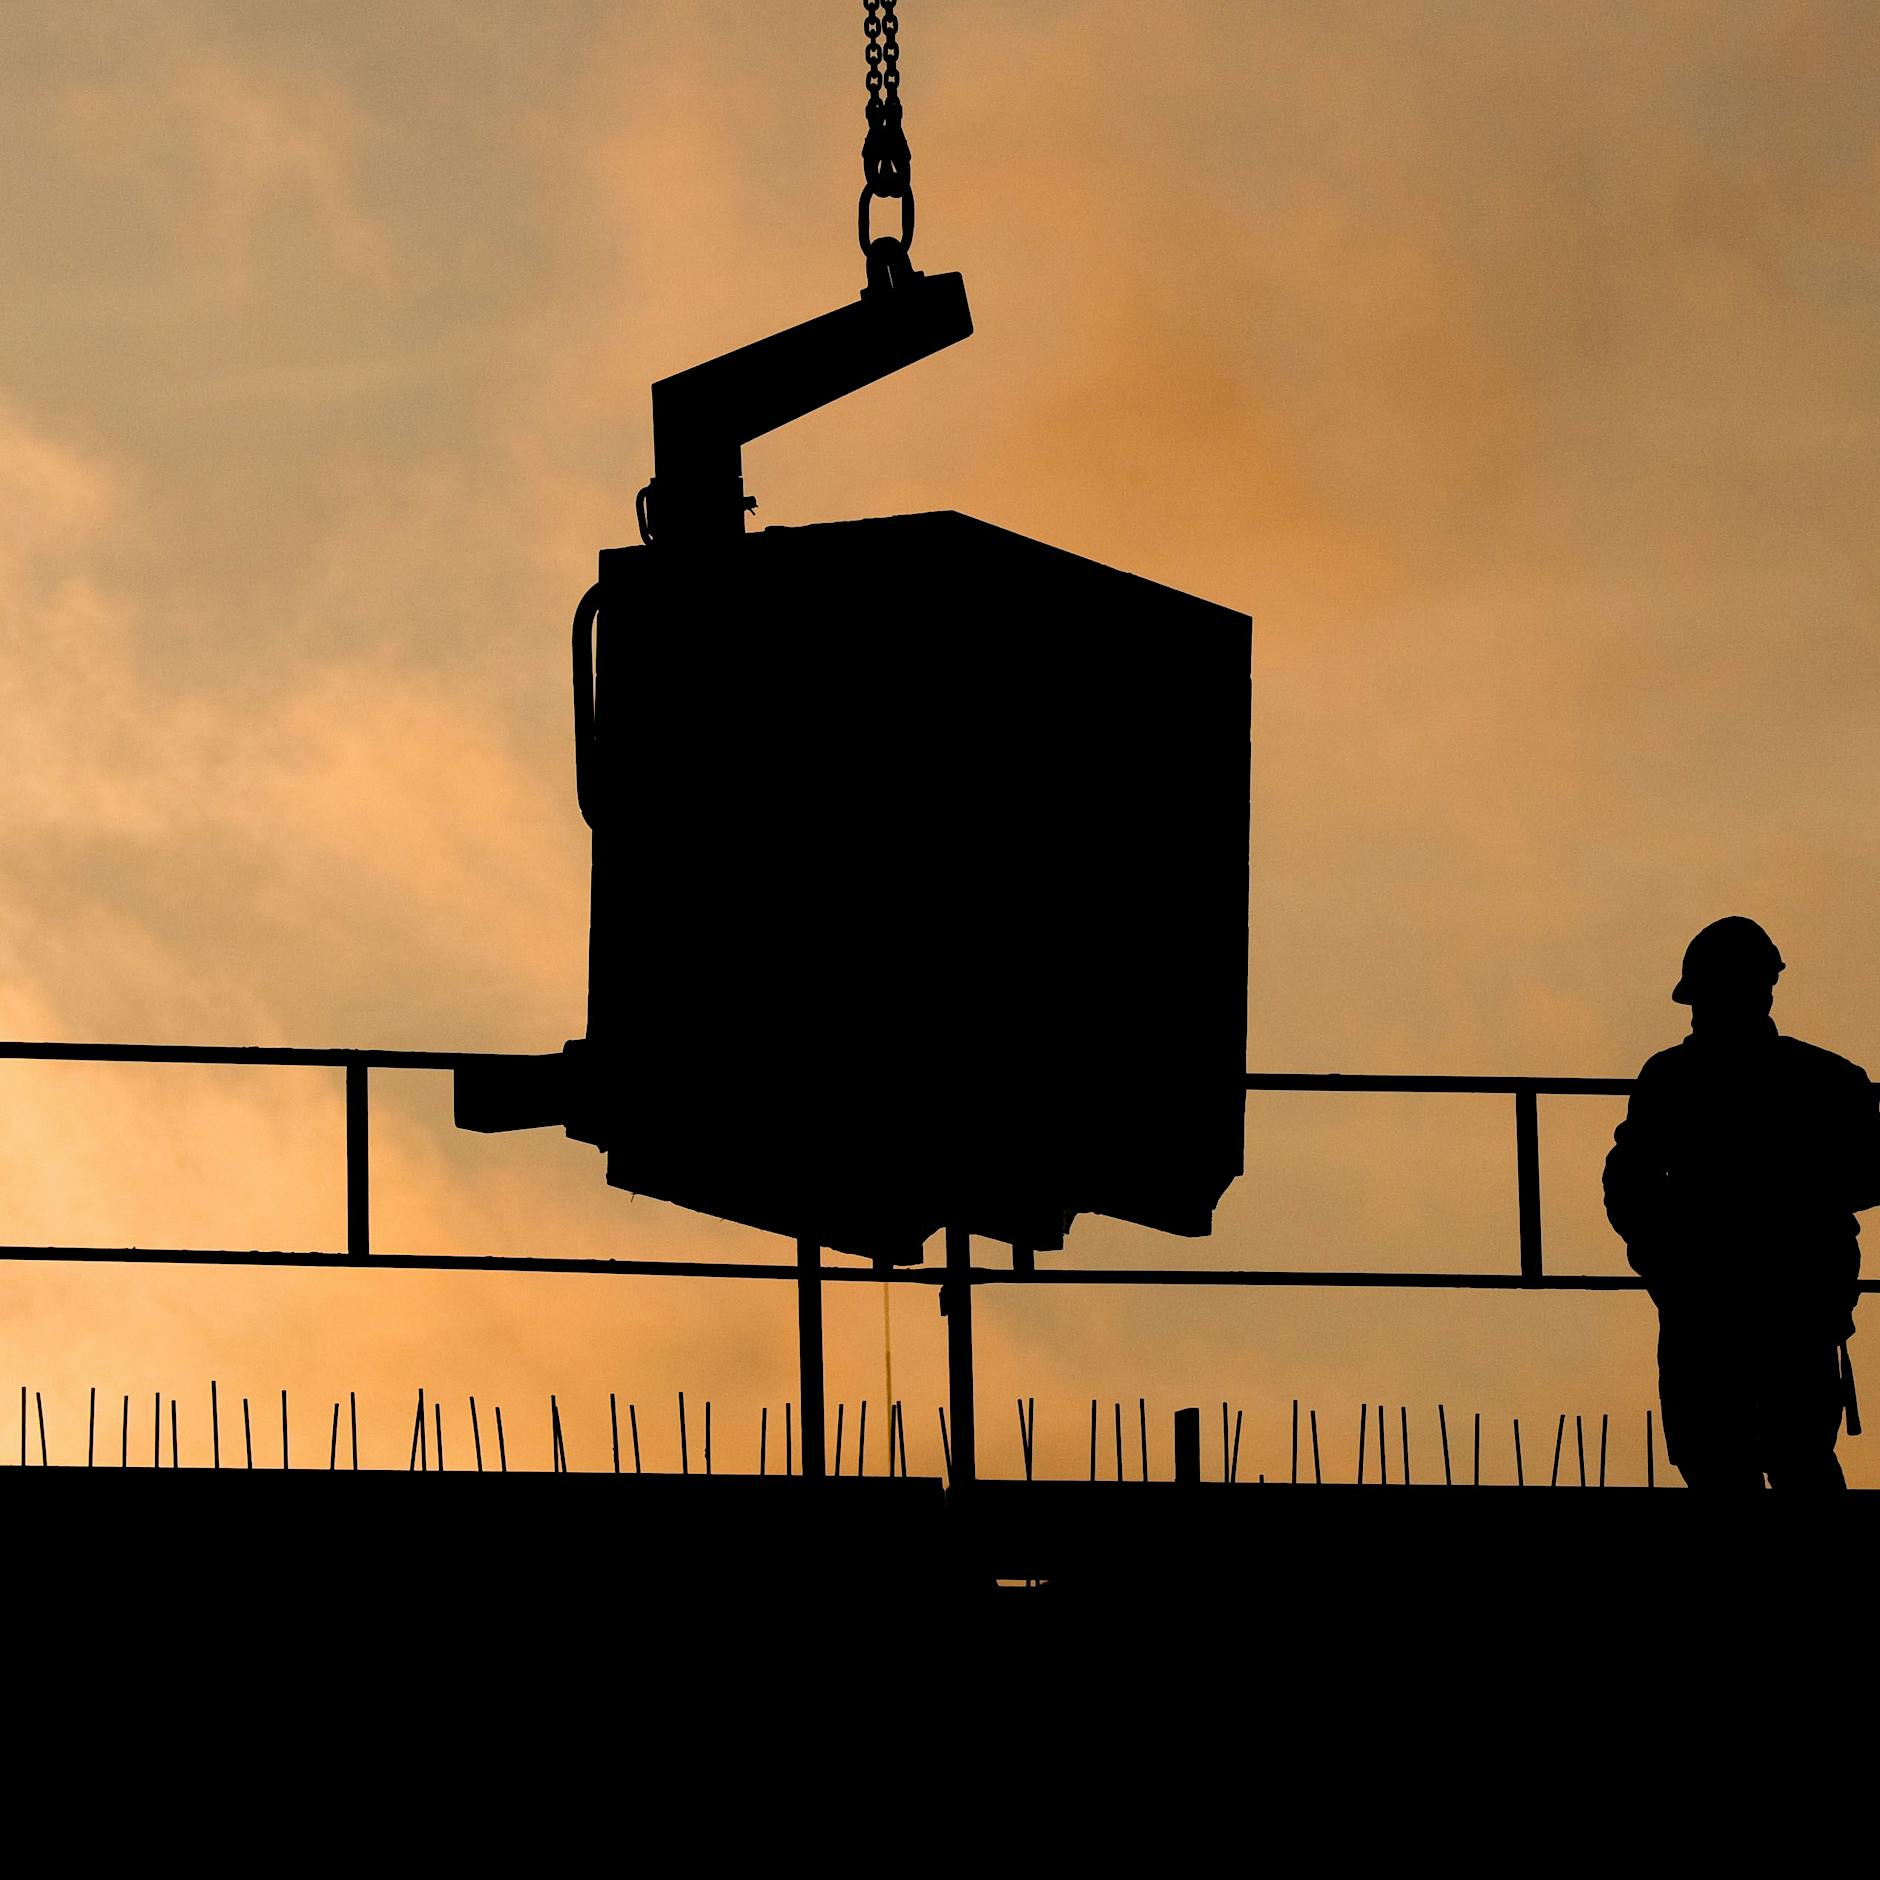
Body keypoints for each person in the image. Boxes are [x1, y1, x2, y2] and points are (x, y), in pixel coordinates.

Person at [1603, 917, 1880, 1487]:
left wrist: (1665, 1264)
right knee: (1790, 1459)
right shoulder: (1826, 1080)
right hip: (1776, 1308)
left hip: (1728, 1310)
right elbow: (1629, 1185)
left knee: (1738, 1462)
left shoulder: (1673, 1080)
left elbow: (1628, 1186)